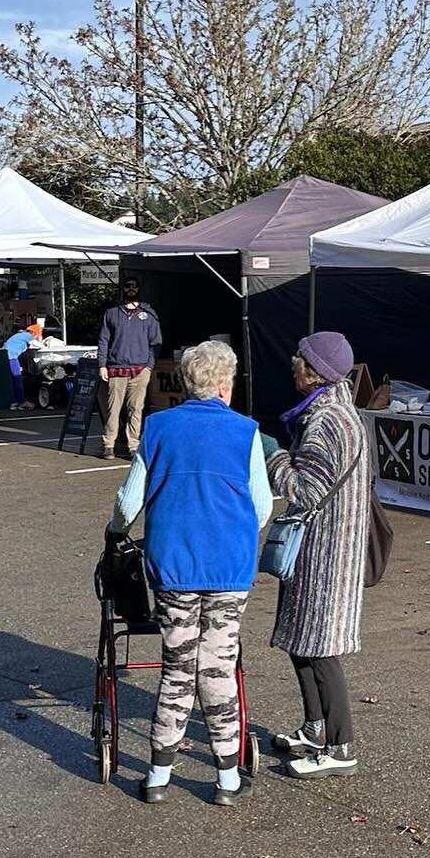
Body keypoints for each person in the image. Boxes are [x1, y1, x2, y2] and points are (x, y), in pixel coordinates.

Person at [109, 339, 273, 806]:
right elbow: (261, 507)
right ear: (225, 383)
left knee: (177, 667)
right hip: (229, 567)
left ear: (186, 381)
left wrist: (115, 530)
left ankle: (158, 773)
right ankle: (225, 777)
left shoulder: (159, 428)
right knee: (218, 667)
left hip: (174, 566)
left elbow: (128, 503)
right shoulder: (246, 433)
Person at [263, 331, 372, 779]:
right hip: (322, 548)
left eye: (300, 359)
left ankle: (341, 747)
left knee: (322, 648)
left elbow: (305, 490)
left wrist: (270, 455)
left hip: (326, 552)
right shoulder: (331, 412)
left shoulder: (328, 422)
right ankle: (314, 727)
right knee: (301, 641)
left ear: (316, 372)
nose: (293, 363)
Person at [96, 278, 161, 460]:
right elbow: (103, 340)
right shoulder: (111, 313)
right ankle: (109, 444)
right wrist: (102, 364)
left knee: (136, 408)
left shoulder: (148, 314)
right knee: (113, 409)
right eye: (127, 286)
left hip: (140, 370)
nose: (131, 289)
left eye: (134, 286)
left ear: (139, 289)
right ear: (123, 289)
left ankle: (133, 445)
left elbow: (156, 342)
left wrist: (149, 366)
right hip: (116, 368)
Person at [3, 321, 43, 410]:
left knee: (11, 380)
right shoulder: (28, 336)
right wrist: (45, 344)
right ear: (34, 333)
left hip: (4, 356)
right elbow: (39, 345)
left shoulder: (19, 335)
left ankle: (13, 402)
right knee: (18, 379)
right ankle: (21, 402)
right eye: (37, 335)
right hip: (11, 357)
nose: (37, 337)